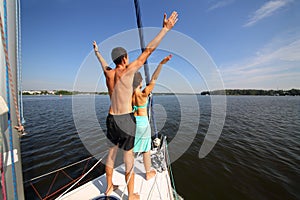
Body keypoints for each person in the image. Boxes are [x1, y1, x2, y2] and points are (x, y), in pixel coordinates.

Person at [93, 11, 178, 200]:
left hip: (110, 118)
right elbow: (148, 51)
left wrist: (97, 52)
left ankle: (109, 187)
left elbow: (102, 63)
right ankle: (131, 194)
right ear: (124, 59)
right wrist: (165, 29)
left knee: (111, 154)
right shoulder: (128, 71)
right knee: (128, 157)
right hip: (125, 119)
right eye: (127, 58)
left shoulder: (108, 73)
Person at [132, 55, 172, 180]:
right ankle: (148, 173)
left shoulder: (129, 95)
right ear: (140, 82)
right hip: (143, 123)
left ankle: (130, 171)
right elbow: (154, 78)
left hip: (133, 122)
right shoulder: (144, 93)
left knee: (132, 148)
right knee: (145, 149)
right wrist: (161, 63)